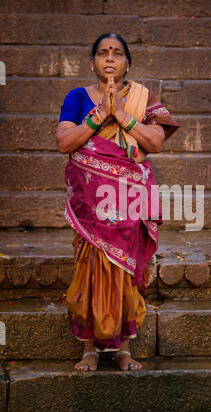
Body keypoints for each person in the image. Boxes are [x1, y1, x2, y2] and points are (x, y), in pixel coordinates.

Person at [56, 32, 179, 372]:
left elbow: (155, 142)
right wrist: (98, 116)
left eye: (117, 53)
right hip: (90, 204)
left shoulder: (141, 98)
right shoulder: (77, 97)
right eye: (102, 53)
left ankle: (124, 349)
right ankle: (90, 351)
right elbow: (65, 141)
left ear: (128, 63)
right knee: (90, 271)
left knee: (126, 273)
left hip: (127, 201)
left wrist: (122, 114)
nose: (109, 58)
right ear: (92, 61)